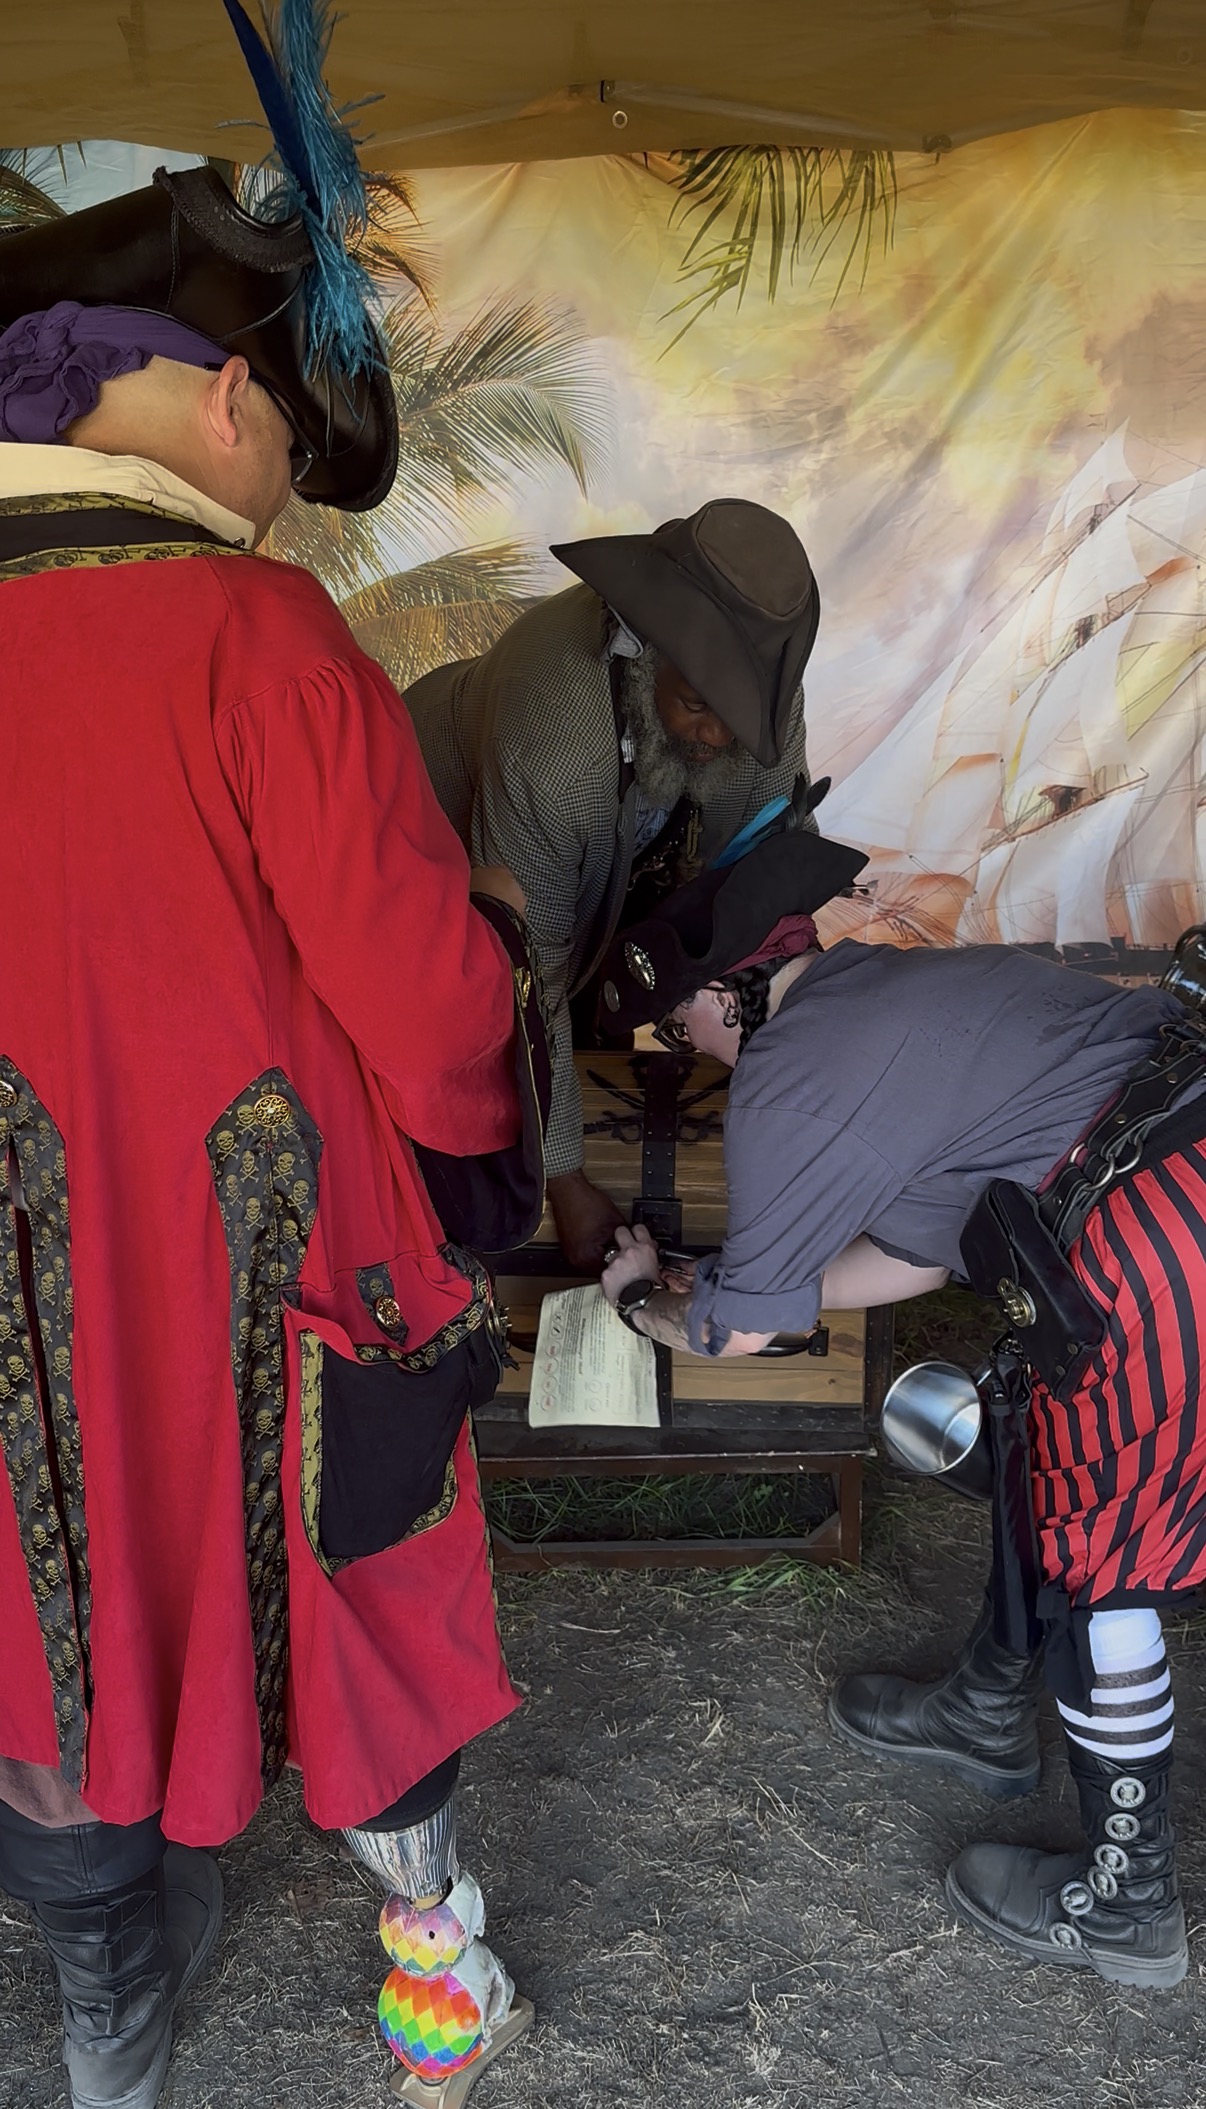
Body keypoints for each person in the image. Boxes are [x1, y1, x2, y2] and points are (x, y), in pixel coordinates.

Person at [0, 10, 545, 2106]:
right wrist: (490, 1134)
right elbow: (426, 1006)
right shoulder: (246, 634)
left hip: (32, 1263)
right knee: (370, 1573)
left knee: (42, 1588)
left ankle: (107, 2020)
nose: (288, 500)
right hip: (272, 1256)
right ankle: (435, 1985)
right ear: (229, 398)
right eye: (292, 458)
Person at [599, 827, 1206, 1991]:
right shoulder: (896, 988)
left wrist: (644, 1304)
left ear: (725, 996)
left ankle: (1132, 1900)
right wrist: (739, 1285)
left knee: (1109, 1565)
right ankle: (986, 1707)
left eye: (680, 1024)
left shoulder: (787, 1079)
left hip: (1163, 1227)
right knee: (1041, 1451)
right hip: (1155, 1164)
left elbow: (748, 1334)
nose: (686, 1046)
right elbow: (915, 1257)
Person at [407, 498, 822, 1268]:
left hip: (596, 862)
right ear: (642, 649)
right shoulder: (553, 733)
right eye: (698, 704)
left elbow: (772, 876)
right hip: (433, 850)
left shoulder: (753, 701)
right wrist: (565, 1182)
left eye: (737, 716)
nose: (717, 738)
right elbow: (525, 976)